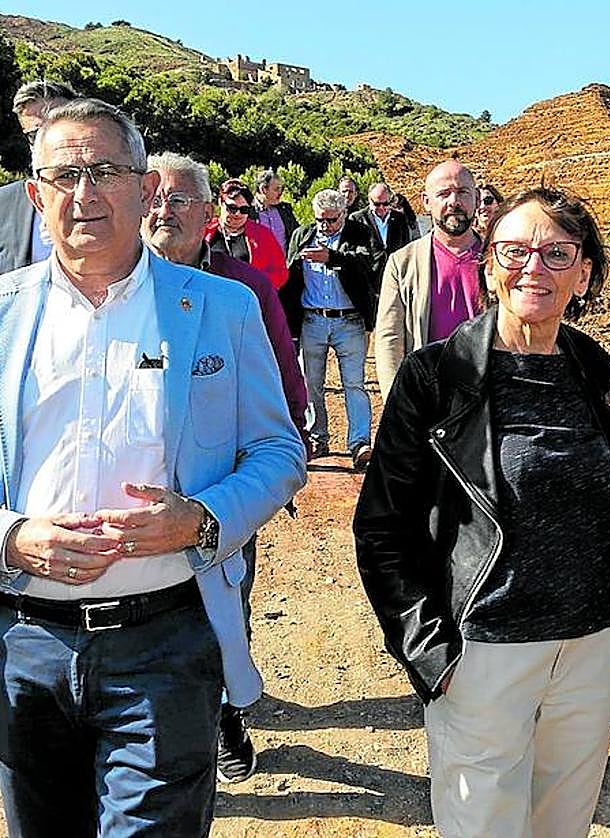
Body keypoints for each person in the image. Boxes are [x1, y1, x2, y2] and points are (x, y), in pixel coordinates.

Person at [0, 98, 305, 835]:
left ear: (144, 188)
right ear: (36, 195)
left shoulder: (223, 308)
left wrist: (201, 519)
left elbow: (277, 451)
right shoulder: (1, 312)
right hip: (22, 646)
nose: (86, 193)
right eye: (64, 174)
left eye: (105, 170)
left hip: (165, 641)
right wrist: (9, 536)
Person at [355, 187, 610, 838]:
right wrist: (429, 651)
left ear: (584, 275)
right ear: (489, 265)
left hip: (592, 652)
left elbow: (584, 522)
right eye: (516, 250)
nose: (534, 268)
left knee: (561, 828)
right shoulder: (435, 379)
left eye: (557, 253)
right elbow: (383, 526)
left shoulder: (591, 382)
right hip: (483, 655)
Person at [142, 150, 310, 783]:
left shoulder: (244, 288)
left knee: (227, 599)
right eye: (153, 194)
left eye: (180, 198)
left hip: (226, 483)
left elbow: (283, 374)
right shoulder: (109, 291)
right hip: (140, 493)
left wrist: (285, 448)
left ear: (209, 215)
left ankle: (225, 712)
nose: (164, 208)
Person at [281, 189, 377, 469]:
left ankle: (359, 442)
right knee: (311, 384)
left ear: (343, 213)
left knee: (354, 384)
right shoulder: (304, 235)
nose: (325, 226)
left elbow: (369, 266)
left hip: (349, 320)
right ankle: (317, 437)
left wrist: (332, 258)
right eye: (320, 220)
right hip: (312, 319)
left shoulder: (359, 233)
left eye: (331, 220)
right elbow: (289, 275)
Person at [374, 159, 482, 398]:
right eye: (444, 194)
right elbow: (389, 339)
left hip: (486, 396)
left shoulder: (499, 259)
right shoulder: (402, 263)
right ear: (426, 202)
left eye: (463, 192)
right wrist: (397, 403)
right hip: (428, 397)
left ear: (476, 197)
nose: (454, 201)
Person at [0, 80, 76, 273]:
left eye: (56, 127)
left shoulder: (112, 195)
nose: (47, 140)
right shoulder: (4, 203)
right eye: (36, 134)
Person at [204, 178, 288, 289]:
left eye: (244, 210)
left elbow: (280, 272)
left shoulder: (262, 235)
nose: (237, 214)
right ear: (221, 202)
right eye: (232, 208)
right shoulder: (203, 231)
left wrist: (256, 284)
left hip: (248, 298)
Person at [253, 168, 299, 253]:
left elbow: (297, 235)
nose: (280, 193)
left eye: (281, 189)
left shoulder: (285, 210)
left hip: (284, 265)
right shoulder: (248, 212)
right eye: (276, 189)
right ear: (263, 189)